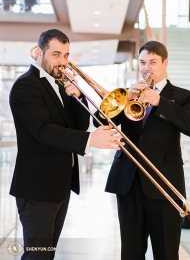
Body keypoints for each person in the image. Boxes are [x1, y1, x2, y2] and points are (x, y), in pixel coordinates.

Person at [9, 28, 123, 260]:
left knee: (47, 254)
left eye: (66, 55)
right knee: (37, 256)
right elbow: (43, 131)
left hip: (59, 186)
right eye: (56, 54)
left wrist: (78, 98)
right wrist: (91, 140)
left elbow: (76, 127)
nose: (63, 62)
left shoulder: (59, 85)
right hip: (37, 189)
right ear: (39, 53)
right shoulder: (26, 85)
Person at [93, 40, 190, 260]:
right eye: (143, 62)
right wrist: (126, 99)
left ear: (165, 63)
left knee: (166, 252)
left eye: (153, 62)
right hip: (128, 182)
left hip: (163, 183)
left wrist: (160, 102)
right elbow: (99, 122)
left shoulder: (182, 96)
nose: (147, 68)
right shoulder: (127, 94)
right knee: (131, 252)